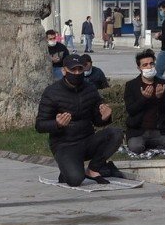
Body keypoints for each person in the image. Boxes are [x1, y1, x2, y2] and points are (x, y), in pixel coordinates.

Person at [35, 55, 124, 187]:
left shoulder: (90, 89)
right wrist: (57, 124)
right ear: (64, 71)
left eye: (80, 70)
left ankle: (93, 169)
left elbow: (97, 121)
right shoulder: (52, 92)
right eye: (73, 70)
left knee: (116, 133)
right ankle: (68, 170)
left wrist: (105, 117)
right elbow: (39, 125)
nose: (77, 73)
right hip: (64, 145)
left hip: (87, 140)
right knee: (75, 180)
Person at [124, 49, 165, 154]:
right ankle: (146, 144)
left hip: (158, 131)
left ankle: (152, 144)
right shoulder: (131, 85)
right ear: (139, 68)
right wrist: (144, 98)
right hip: (139, 131)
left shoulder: (162, 84)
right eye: (145, 65)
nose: (149, 67)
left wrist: (159, 97)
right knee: (136, 147)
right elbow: (131, 110)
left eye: (151, 64)